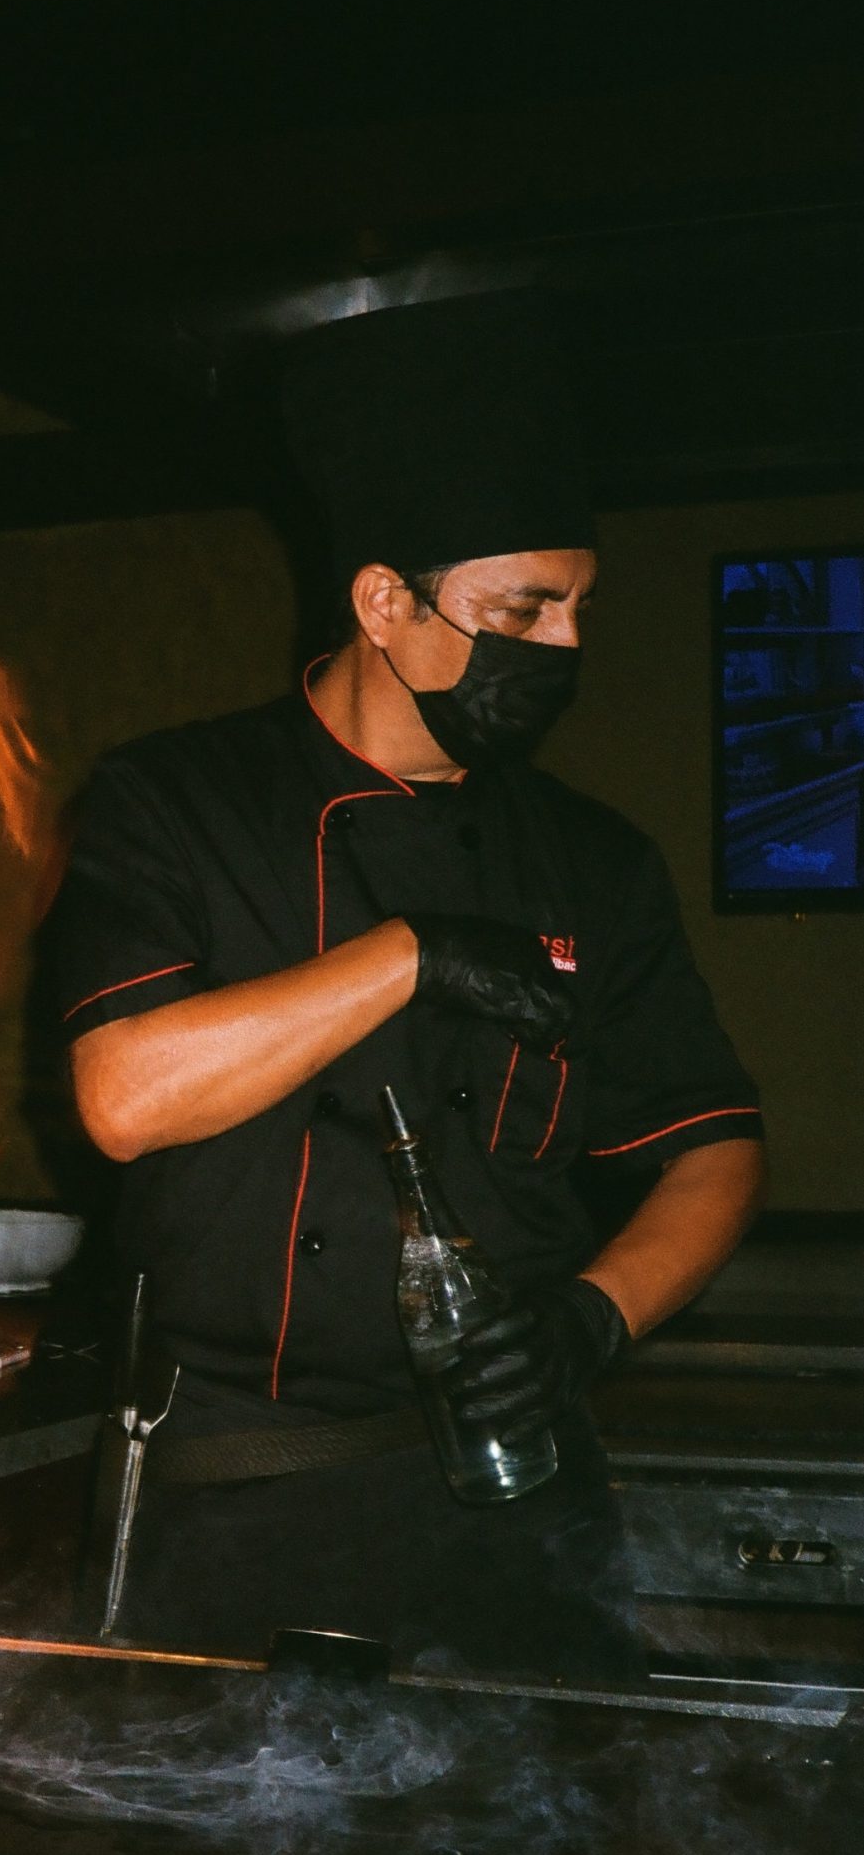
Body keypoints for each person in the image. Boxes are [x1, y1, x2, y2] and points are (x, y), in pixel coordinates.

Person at [52, 295, 765, 1676]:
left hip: (523, 1505)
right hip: (238, 1505)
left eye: (577, 610)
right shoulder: (180, 801)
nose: (561, 649)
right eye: (523, 610)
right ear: (386, 602)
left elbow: (712, 1147)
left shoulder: (592, 863)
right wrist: (409, 958)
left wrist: (587, 1320)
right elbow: (124, 1097)